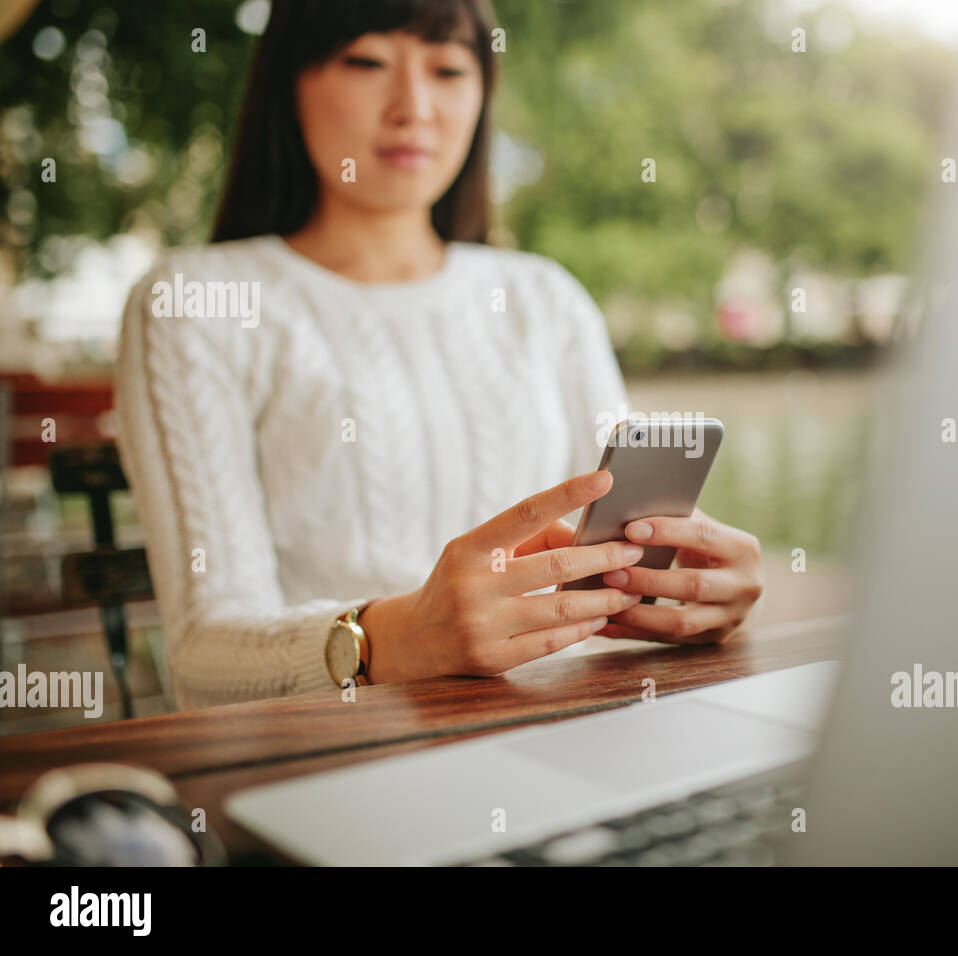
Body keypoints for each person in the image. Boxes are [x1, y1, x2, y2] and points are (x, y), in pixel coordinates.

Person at [112, 0, 764, 711]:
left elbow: (619, 549)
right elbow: (203, 658)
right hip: (329, 758)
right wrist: (397, 638)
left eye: (449, 69)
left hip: (559, 724)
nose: (414, 107)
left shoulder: (543, 298)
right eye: (367, 62)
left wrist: (690, 593)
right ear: (287, 82)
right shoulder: (195, 302)